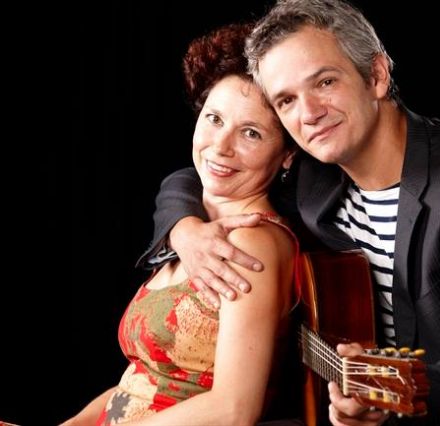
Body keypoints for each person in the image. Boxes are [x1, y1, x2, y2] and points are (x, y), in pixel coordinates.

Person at [140, 1, 440, 425]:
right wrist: (185, 229)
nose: (309, 113)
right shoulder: (317, 171)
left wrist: (386, 387)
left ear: (376, 75)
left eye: (325, 83)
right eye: (286, 100)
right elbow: (202, 172)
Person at [62, 22, 301, 426]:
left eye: (251, 133)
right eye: (214, 119)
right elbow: (141, 382)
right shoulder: (196, 229)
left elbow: (234, 409)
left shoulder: (253, 241)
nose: (221, 146)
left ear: (287, 154)